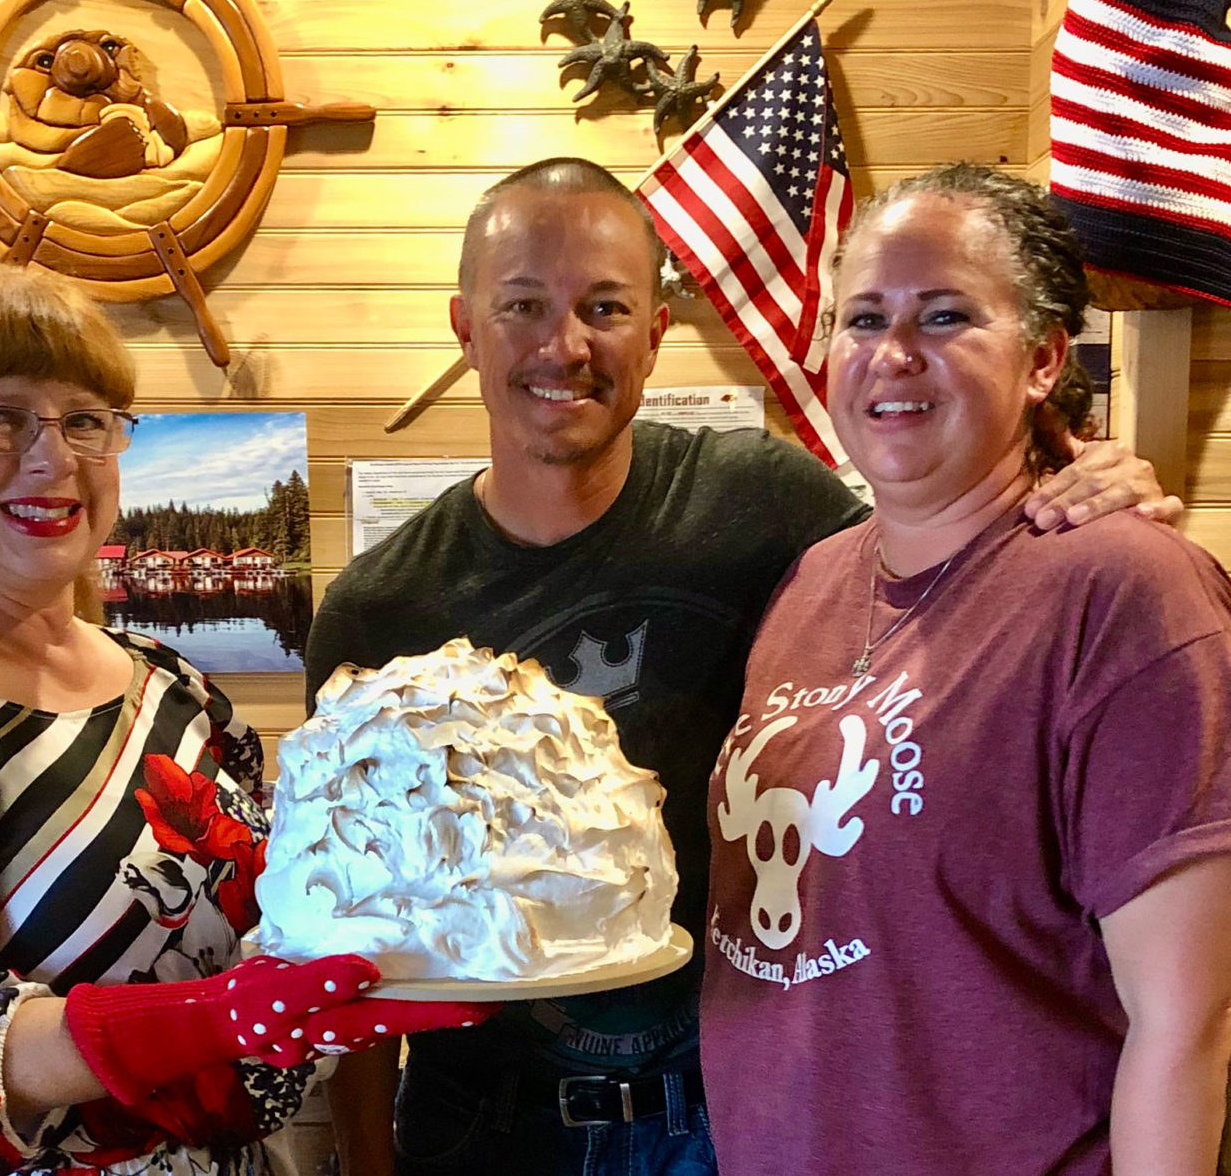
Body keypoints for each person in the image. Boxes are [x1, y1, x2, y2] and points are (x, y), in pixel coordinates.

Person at [307, 157, 1177, 1176]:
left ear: (654, 333)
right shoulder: (376, 607)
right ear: (465, 329)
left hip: (731, 1112)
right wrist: (361, 1157)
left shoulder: (762, 501)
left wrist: (1073, 469)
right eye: (521, 306)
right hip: (485, 1122)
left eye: (604, 306)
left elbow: (937, 553)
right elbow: (344, 936)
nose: (564, 344)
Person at [0, 263, 484, 1176]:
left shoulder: (177, 690)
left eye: (86, 419)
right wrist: (211, 1021)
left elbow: (287, 926)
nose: (52, 456)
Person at [701, 163, 1231, 1175]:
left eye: (942, 316)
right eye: (861, 319)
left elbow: (1186, 1024)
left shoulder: (1124, 592)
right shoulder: (814, 577)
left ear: (1038, 357)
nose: (890, 354)